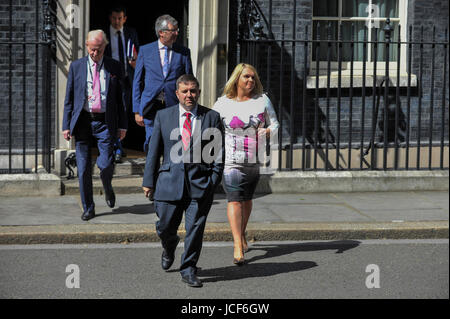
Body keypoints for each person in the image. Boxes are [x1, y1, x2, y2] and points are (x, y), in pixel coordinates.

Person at [142, 74, 224, 288]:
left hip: (200, 185)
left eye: (193, 91)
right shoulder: (164, 116)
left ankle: (188, 269)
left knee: (195, 230)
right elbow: (154, 151)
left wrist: (213, 181)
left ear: (198, 92)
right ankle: (169, 246)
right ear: (177, 93)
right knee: (165, 226)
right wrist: (148, 181)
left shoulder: (212, 117)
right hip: (168, 182)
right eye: (185, 91)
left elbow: (217, 154)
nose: (190, 95)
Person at [213, 63, 279, 265]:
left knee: (246, 199)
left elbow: (275, 124)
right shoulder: (222, 103)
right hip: (231, 160)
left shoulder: (262, 101)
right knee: (234, 199)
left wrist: (267, 132)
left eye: (253, 77)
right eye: (246, 77)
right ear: (236, 79)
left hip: (253, 159)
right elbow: (210, 125)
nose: (250, 80)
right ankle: (237, 245)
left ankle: (241, 233)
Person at [62, 30, 127, 221]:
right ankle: (88, 207)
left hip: (105, 122)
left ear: (104, 47)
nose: (94, 53)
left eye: (98, 50)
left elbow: (121, 100)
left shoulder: (115, 66)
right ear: (87, 46)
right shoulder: (77, 66)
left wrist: (122, 126)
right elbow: (69, 98)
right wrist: (66, 125)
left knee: (105, 164)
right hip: (82, 120)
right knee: (82, 169)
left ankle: (107, 187)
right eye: (91, 49)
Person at [132, 14, 193, 153]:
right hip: (151, 106)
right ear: (161, 32)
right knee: (151, 143)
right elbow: (138, 82)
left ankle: (168, 174)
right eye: (173, 30)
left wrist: (189, 105)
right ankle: (152, 173)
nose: (177, 33)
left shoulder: (183, 52)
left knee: (173, 145)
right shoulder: (145, 51)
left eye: (177, 30)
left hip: (174, 106)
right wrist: (137, 110)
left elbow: (189, 81)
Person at [104, 5, 140, 163]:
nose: (117, 21)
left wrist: (136, 63)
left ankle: (119, 146)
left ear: (124, 19)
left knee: (123, 112)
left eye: (120, 18)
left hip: (126, 80)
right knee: (112, 113)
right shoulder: (104, 34)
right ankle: (115, 148)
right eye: (114, 18)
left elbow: (138, 55)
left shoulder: (131, 33)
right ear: (110, 18)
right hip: (110, 79)